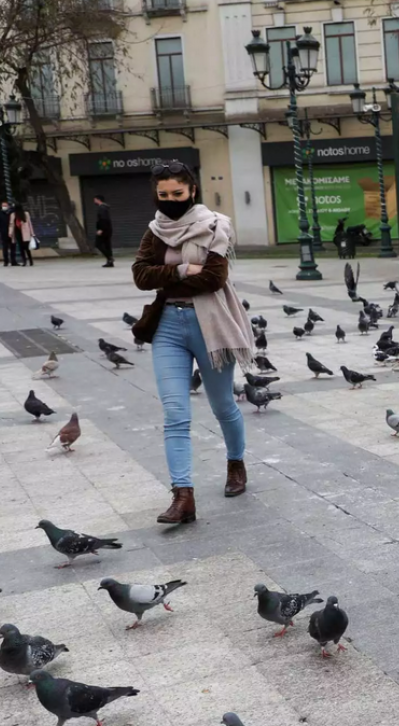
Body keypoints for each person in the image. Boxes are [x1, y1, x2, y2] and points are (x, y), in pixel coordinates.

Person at [131, 161, 254, 525]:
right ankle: (183, 495)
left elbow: (214, 278)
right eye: (163, 194)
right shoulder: (154, 231)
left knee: (223, 405)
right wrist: (183, 270)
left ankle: (235, 463)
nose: (170, 200)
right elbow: (140, 276)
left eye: (177, 193)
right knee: (175, 413)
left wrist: (165, 278)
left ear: (192, 191)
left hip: (211, 325)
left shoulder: (215, 225)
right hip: (168, 326)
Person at [0, 200, 18, 266]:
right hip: (4, 233)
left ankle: (13, 261)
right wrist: (1, 230)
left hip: (12, 233)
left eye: (5, 205)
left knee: (13, 247)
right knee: (5, 248)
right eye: (3, 205)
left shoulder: (11, 213)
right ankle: (6, 261)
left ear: (8, 206)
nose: (4, 207)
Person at [94, 194, 115, 267]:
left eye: (95, 200)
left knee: (98, 244)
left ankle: (109, 257)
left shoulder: (102, 208)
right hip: (108, 229)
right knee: (107, 245)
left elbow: (103, 219)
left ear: (98, 200)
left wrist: (101, 229)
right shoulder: (105, 208)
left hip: (104, 230)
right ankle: (110, 262)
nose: (94, 201)